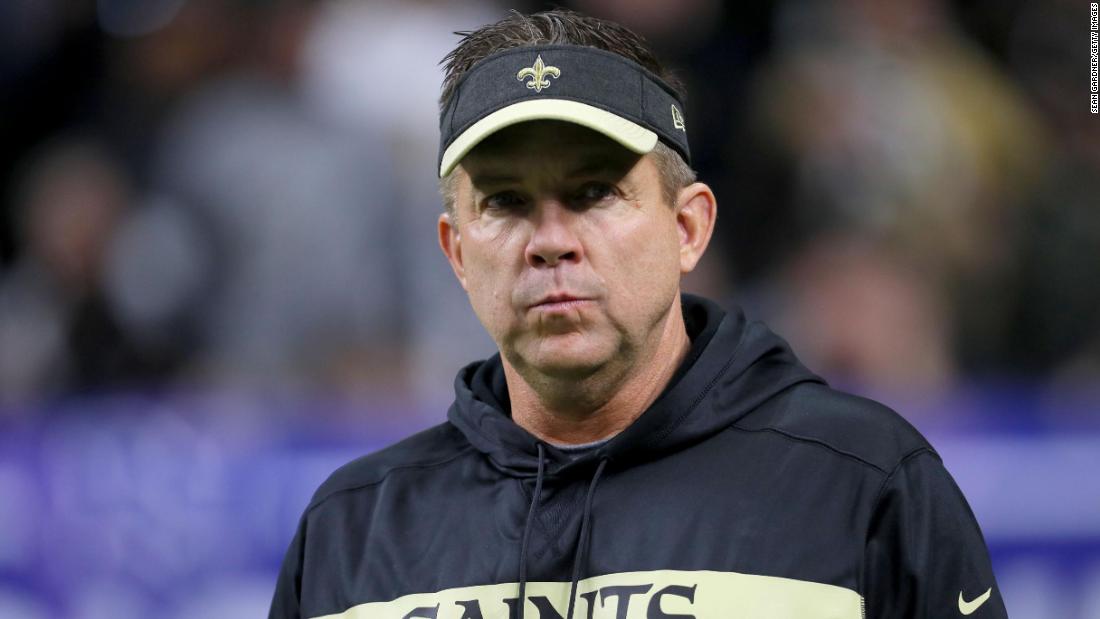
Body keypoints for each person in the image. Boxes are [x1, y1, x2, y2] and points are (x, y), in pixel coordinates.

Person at [269, 10, 1006, 619]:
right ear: (457, 251)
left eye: (593, 193)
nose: (551, 242)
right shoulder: (351, 529)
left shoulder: (862, 481)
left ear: (688, 228)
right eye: (505, 202)